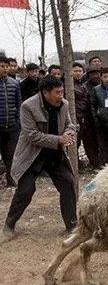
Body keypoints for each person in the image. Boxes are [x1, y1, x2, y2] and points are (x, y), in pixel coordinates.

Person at [2, 75, 77, 243]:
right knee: (26, 191)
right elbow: (32, 135)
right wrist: (59, 140)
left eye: (62, 92)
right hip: (32, 155)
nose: (60, 96)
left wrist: (69, 133)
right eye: (57, 93)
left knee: (68, 182)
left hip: (54, 154)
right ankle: (9, 225)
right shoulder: (27, 106)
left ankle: (72, 226)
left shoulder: (64, 104)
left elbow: (70, 124)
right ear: (45, 92)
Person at [73, 63, 99, 170]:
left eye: (80, 71)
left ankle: (94, 164)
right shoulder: (69, 86)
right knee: (75, 144)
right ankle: (74, 166)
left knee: (89, 143)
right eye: (75, 71)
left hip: (87, 118)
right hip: (77, 118)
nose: (78, 73)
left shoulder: (83, 84)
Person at [0, 56, 21, 187]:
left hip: (12, 126)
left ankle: (11, 179)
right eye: (2, 66)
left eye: (6, 66)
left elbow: (19, 104)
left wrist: (18, 122)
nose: (5, 69)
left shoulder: (15, 84)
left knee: (11, 154)